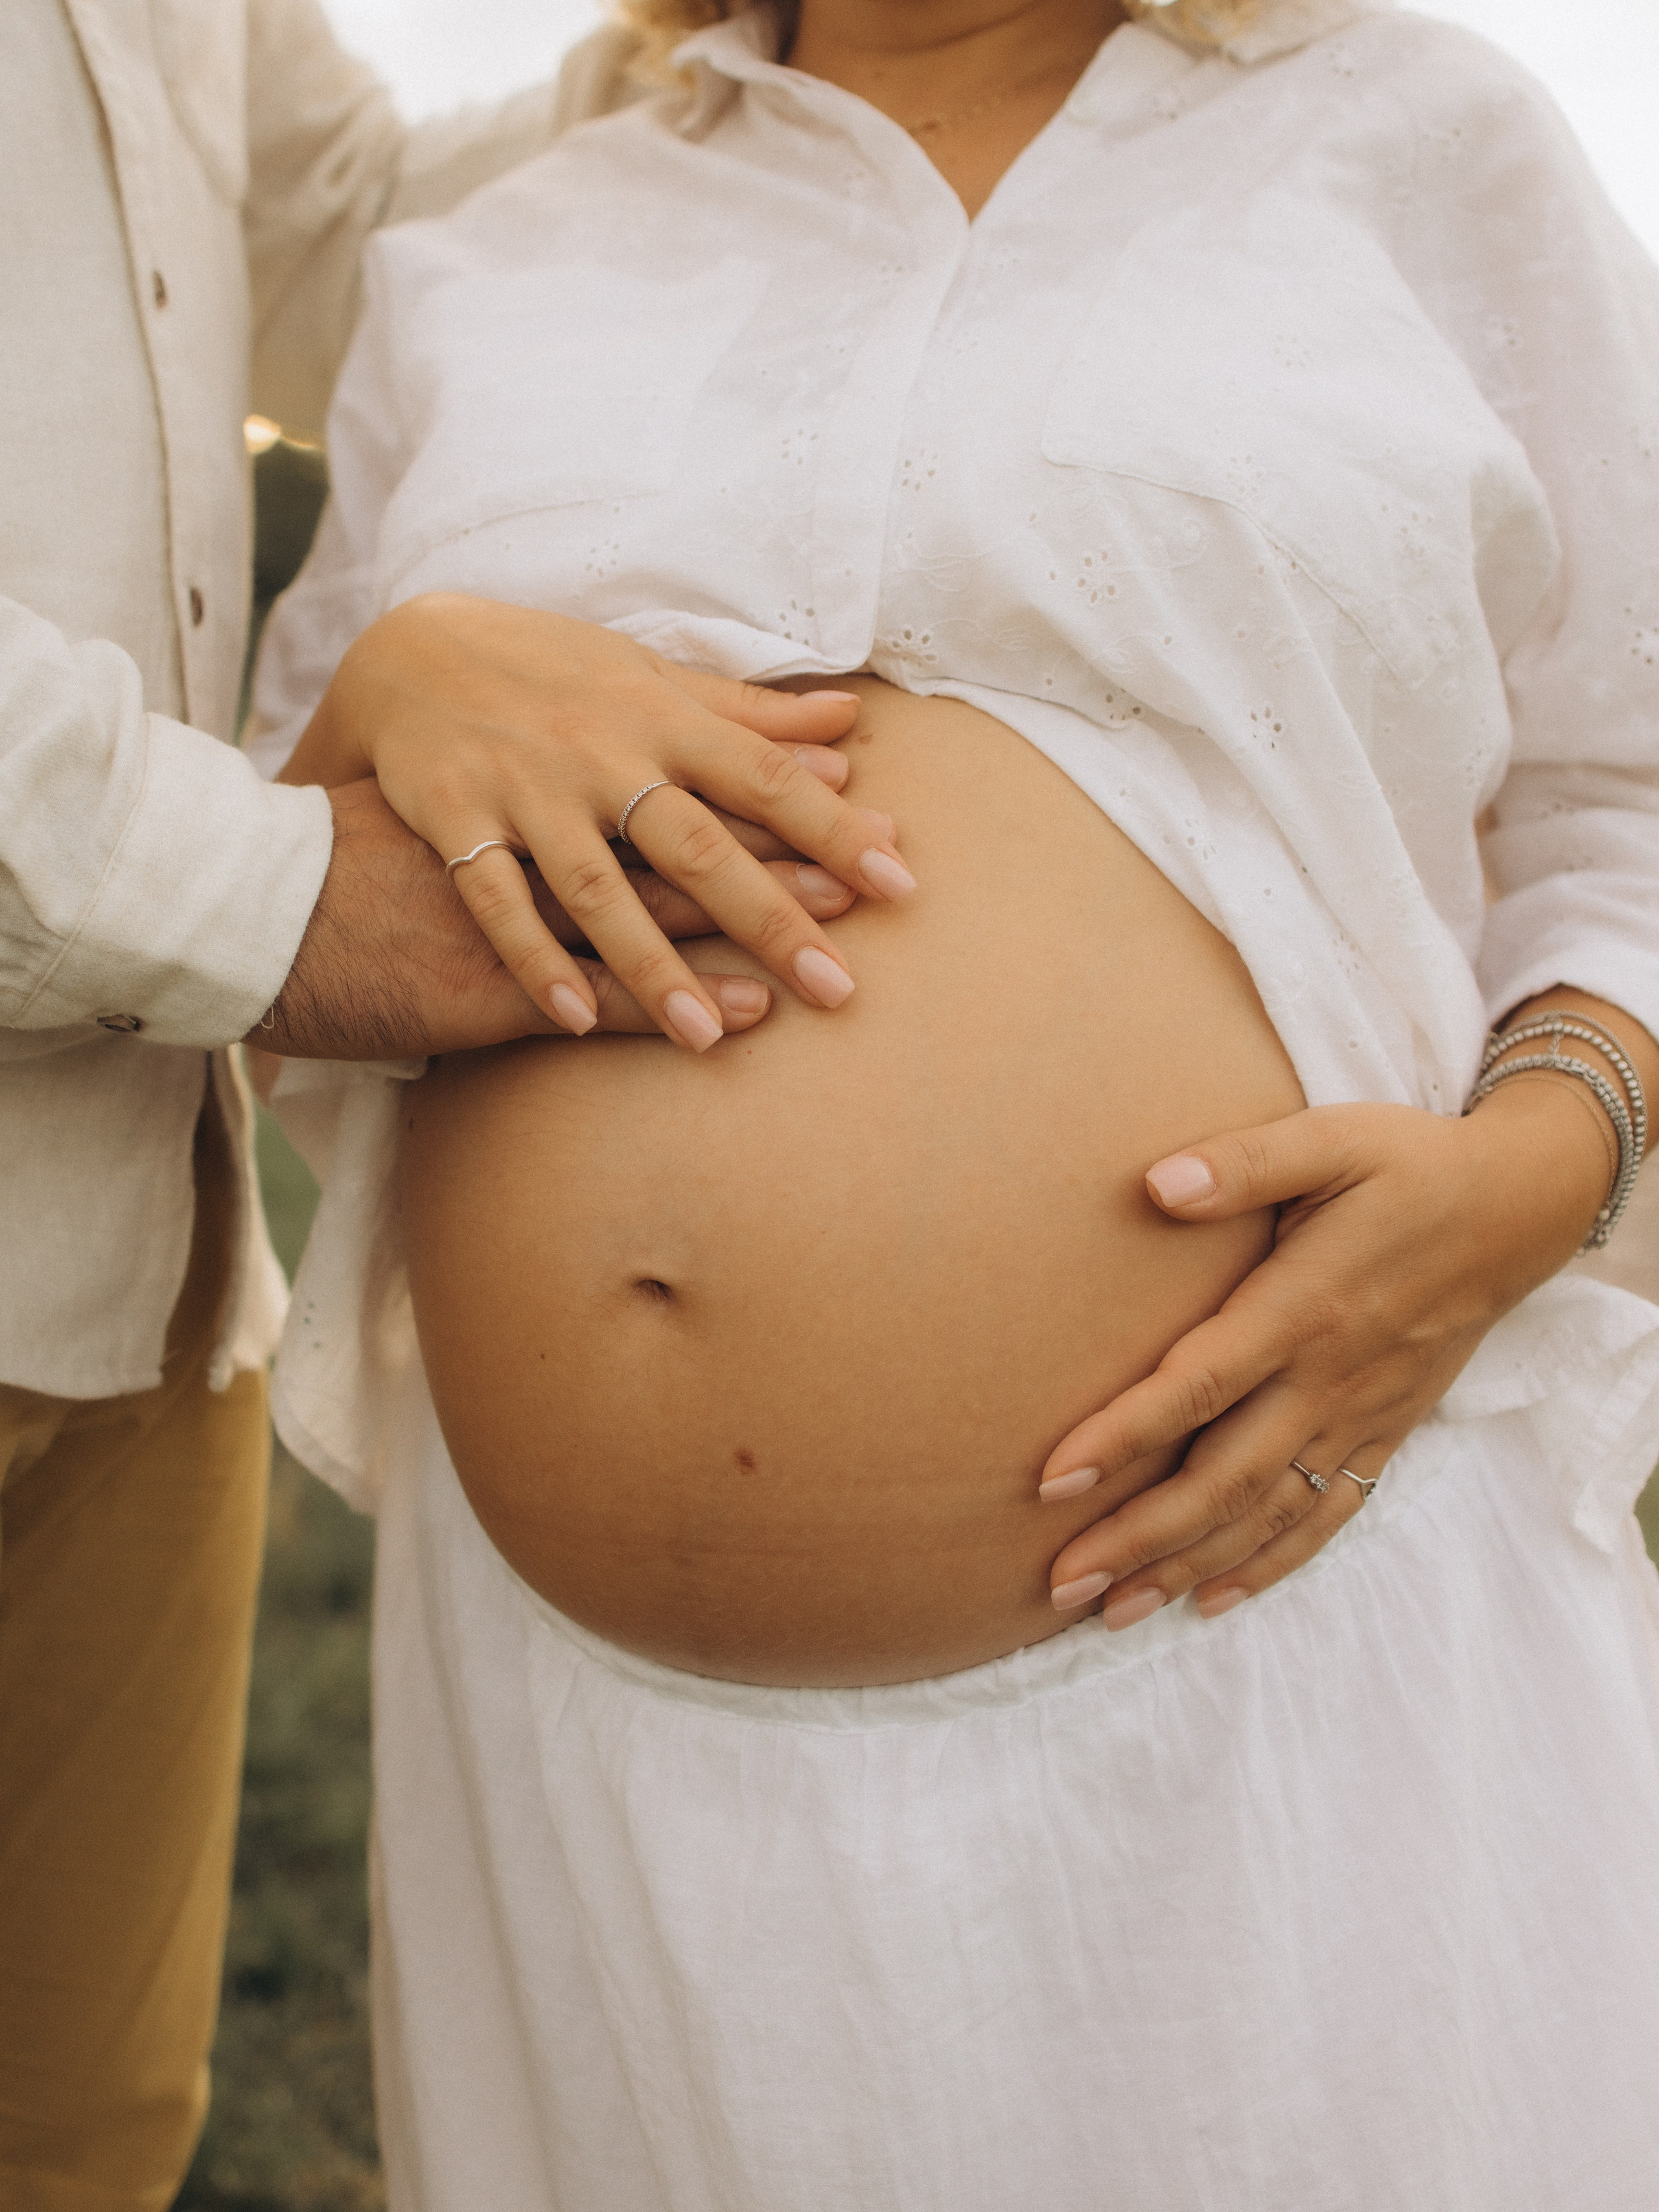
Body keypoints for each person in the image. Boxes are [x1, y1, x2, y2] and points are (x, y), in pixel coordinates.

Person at [253, 0, 1659, 2201]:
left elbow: (1630, 777)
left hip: (1269, 1661)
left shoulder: (1421, 143)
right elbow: (278, 903)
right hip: (579, 1752)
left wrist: (1550, 1159)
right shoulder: (508, 241)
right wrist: (384, 682)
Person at [0, 5, 904, 2203]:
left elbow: (335, 234)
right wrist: (284, 890)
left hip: (116, 1248)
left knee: (74, 2144)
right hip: (160, 1014)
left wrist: (761, 55)